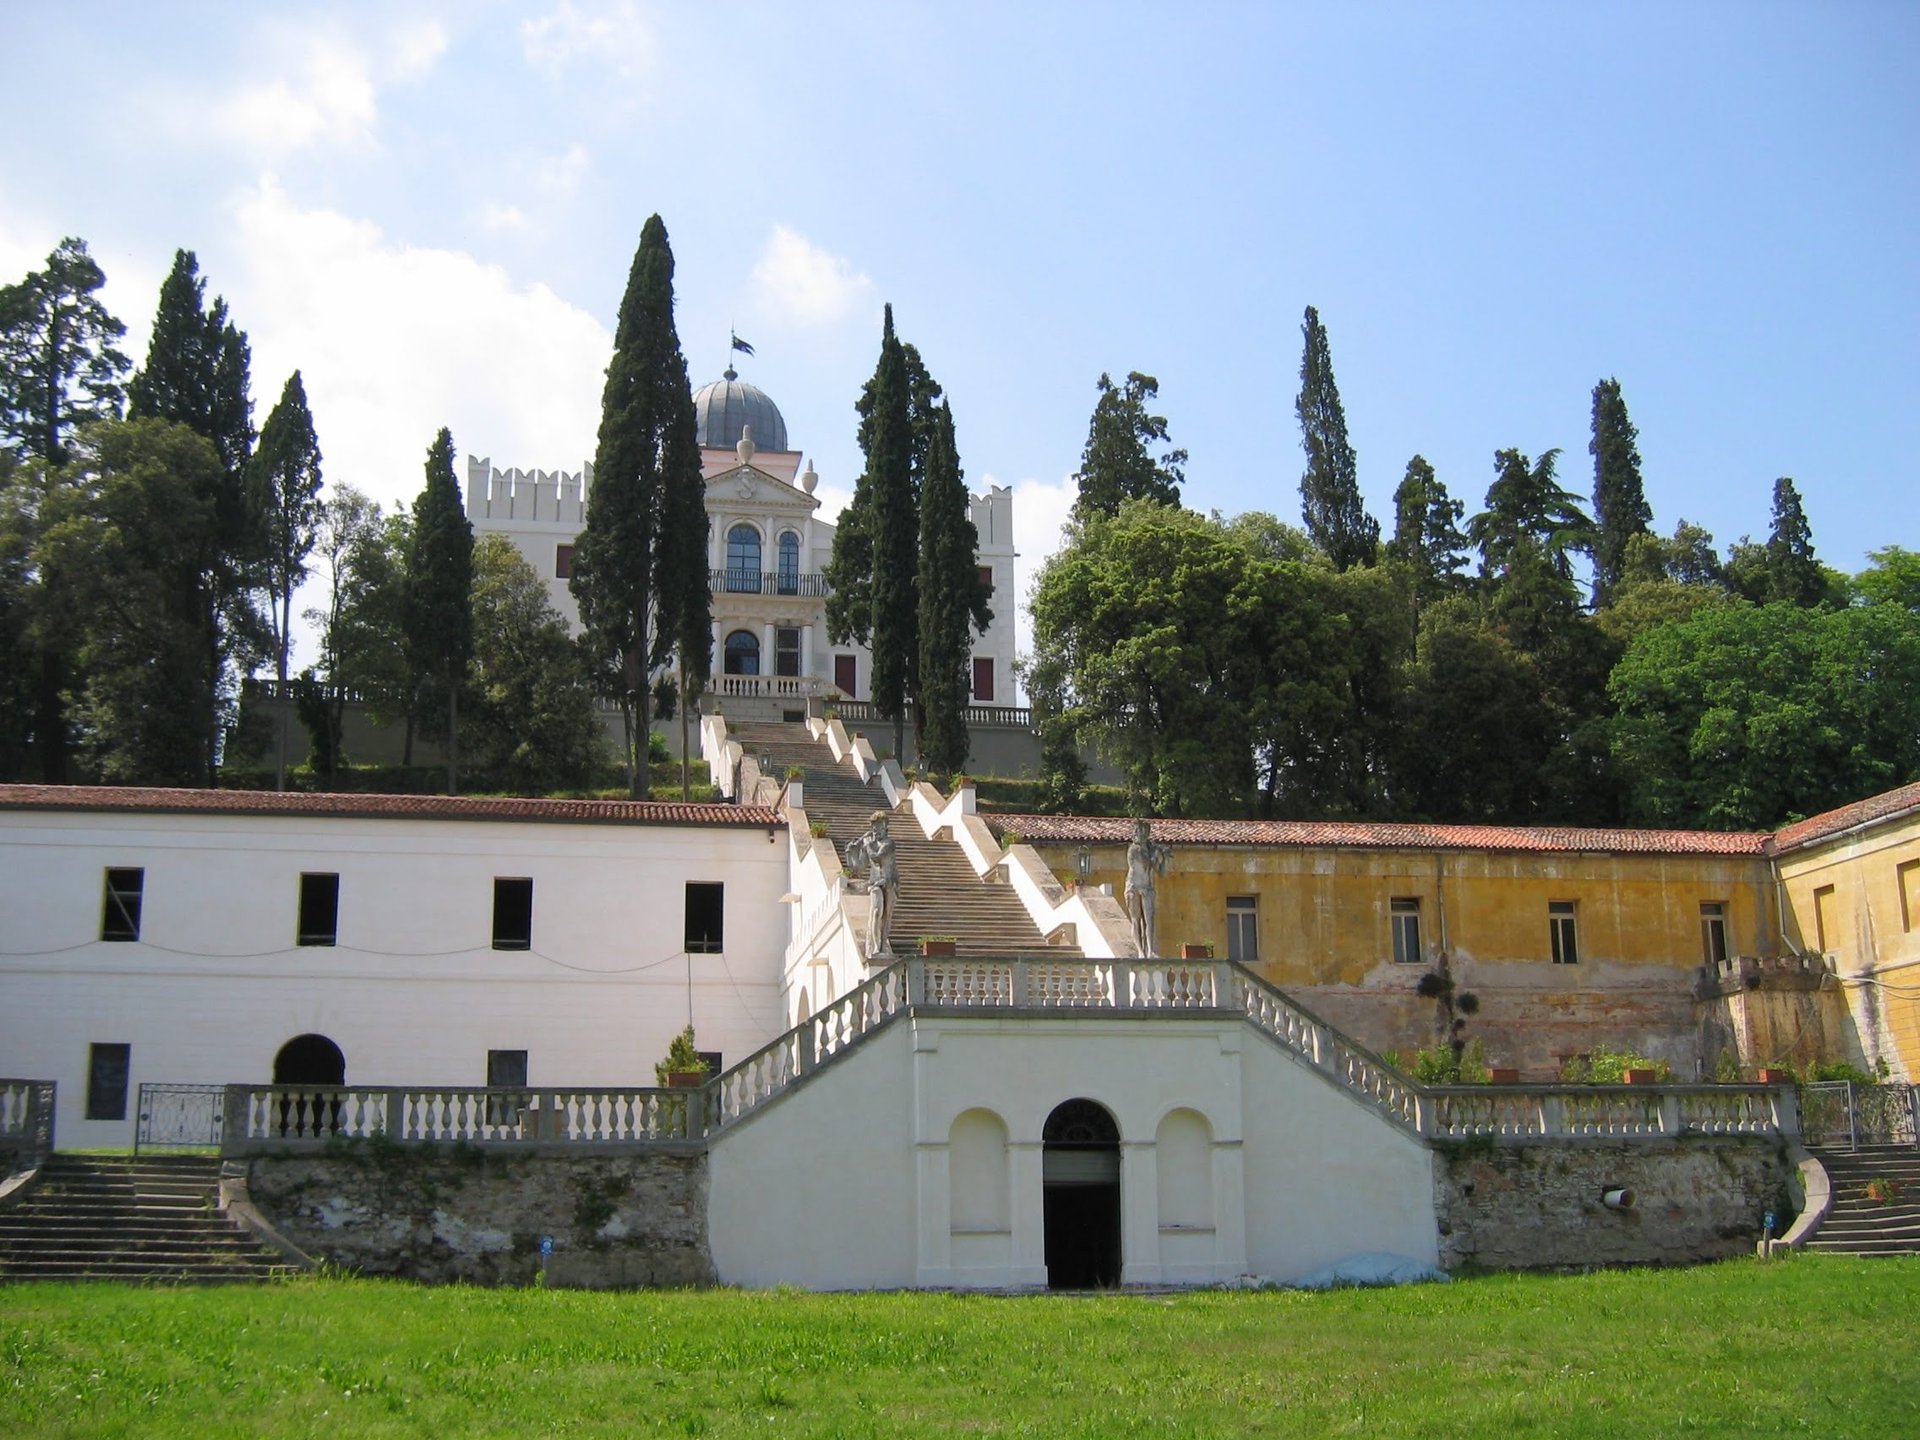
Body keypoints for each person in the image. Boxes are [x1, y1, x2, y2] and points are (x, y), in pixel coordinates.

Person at [844, 810, 900, 961]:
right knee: (876, 910)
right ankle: (875, 947)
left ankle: (883, 946)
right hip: (875, 883)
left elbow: (878, 858)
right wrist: (851, 853)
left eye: (880, 828)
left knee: (886, 916)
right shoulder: (871, 844)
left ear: (886, 828)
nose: (877, 831)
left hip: (889, 883)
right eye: (875, 828)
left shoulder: (888, 844)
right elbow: (858, 868)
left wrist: (867, 846)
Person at [1125, 818, 1169, 957]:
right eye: (1138, 830)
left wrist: (1165, 858)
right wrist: (1157, 853)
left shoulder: (1149, 850)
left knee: (1149, 921)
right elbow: (1144, 864)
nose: (1141, 833)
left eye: (1144, 830)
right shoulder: (1134, 849)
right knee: (1136, 920)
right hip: (1134, 887)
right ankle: (1140, 951)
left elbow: (1161, 872)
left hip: (1148, 888)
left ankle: (1150, 950)